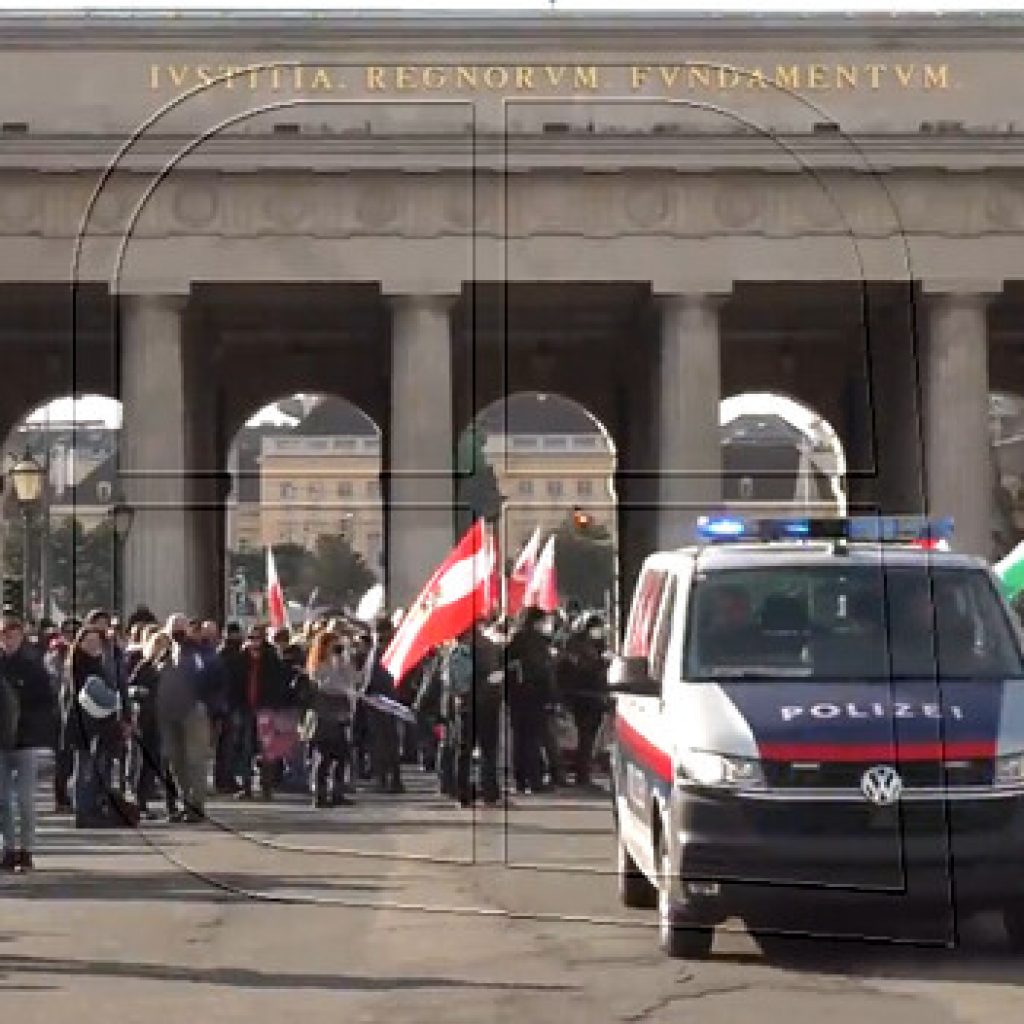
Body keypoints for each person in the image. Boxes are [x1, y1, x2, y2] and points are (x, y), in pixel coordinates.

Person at [0, 607, 56, 872]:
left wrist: (35, 727)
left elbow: (47, 702)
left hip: (25, 740)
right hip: (1, 741)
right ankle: (8, 849)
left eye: (12, 635)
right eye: (4, 635)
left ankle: (27, 849)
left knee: (24, 798)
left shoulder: (33, 666)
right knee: (2, 800)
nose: (8, 640)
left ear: (21, 636)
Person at [155, 613, 211, 823]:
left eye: (181, 628)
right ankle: (184, 802)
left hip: (192, 712)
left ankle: (196, 805)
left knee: (195, 760)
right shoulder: (162, 651)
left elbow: (208, 678)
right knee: (176, 761)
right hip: (168, 714)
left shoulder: (198, 651)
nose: (177, 632)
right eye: (173, 628)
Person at [304, 631, 357, 807]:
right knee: (324, 755)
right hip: (324, 712)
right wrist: (335, 667)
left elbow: (350, 680)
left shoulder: (340, 661)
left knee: (341, 755)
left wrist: (344, 659)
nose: (335, 649)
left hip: (340, 711)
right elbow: (327, 685)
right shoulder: (317, 664)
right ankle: (319, 793)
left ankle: (337, 792)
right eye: (333, 645)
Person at [557, 614, 609, 787]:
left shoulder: (595, 645)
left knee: (588, 738)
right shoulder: (577, 645)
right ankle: (582, 775)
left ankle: (582, 772)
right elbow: (582, 668)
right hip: (583, 695)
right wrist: (602, 664)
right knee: (586, 737)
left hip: (590, 695)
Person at [506, 607, 553, 795]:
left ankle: (520, 780)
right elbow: (544, 672)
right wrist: (551, 696)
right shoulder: (537, 642)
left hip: (517, 696)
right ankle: (535, 780)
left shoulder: (514, 641)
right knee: (533, 739)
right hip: (534, 695)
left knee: (519, 739)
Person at [126, 628, 170, 819]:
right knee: (144, 760)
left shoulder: (169, 666)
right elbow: (130, 687)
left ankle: (148, 797)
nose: (162, 649)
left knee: (156, 761)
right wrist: (139, 693)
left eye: (165, 645)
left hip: (162, 718)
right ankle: (140, 800)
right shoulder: (144, 666)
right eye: (159, 645)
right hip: (145, 717)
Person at [362, 616, 403, 793]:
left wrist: (364, 692)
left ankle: (384, 779)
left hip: (379, 699)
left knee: (380, 742)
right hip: (391, 698)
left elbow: (371, 676)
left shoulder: (378, 651)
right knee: (391, 741)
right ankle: (393, 778)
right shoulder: (397, 648)